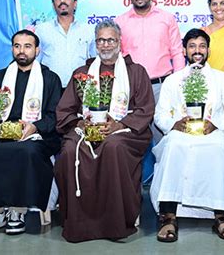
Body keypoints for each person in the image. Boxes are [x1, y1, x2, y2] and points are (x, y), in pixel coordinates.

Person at [54, 19, 155, 242]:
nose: (106, 45)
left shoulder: (136, 72)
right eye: (101, 40)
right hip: (85, 130)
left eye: (110, 40)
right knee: (70, 151)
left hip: (125, 132)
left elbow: (145, 109)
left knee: (113, 146)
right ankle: (78, 221)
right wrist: (81, 124)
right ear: (95, 43)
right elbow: (65, 110)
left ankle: (116, 221)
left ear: (120, 42)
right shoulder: (82, 73)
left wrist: (119, 124)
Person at [0, 30, 62, 235]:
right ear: (12, 49)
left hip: (34, 135)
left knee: (27, 151)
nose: (21, 51)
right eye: (17, 46)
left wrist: (35, 126)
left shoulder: (50, 79)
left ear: (37, 50)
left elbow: (55, 116)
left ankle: (17, 211)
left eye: (27, 46)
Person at [150, 28, 224, 242]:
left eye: (201, 46)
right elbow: (160, 113)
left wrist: (215, 124)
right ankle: (169, 216)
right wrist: (174, 124)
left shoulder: (222, 78)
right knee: (173, 146)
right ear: (184, 50)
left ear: (208, 49)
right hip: (181, 133)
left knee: (217, 148)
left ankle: (220, 216)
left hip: (213, 132)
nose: (197, 51)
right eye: (192, 46)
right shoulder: (173, 80)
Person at [116, 0, 185, 143]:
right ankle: (143, 171)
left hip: (161, 87)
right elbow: (118, 57)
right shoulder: (120, 22)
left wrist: (179, 84)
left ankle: (162, 170)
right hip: (133, 89)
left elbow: (177, 52)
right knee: (134, 137)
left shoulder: (167, 18)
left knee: (164, 136)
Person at [36, 0, 96, 88]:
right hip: (51, 88)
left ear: (75, 4)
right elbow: (36, 62)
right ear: (53, 5)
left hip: (80, 87)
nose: (62, 1)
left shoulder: (88, 30)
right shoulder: (42, 30)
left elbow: (95, 60)